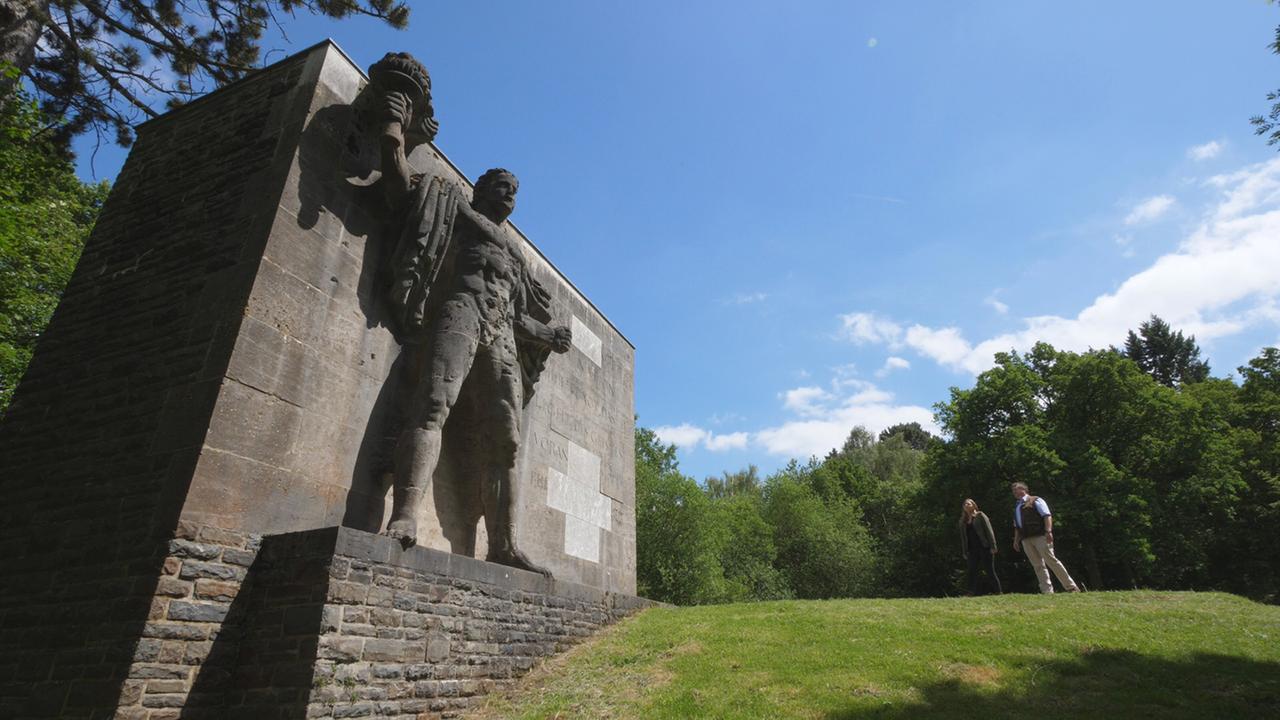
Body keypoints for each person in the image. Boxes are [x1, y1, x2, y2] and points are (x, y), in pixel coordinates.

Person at [375, 76, 572, 576]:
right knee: (431, 408)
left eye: (515, 190)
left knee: (506, 440)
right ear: (482, 189)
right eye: (501, 186)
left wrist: (547, 335)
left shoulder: (516, 254)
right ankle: (403, 518)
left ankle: (503, 544)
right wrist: (394, 132)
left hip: (501, 333)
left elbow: (517, 311)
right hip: (459, 313)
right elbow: (399, 189)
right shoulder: (455, 204)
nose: (510, 194)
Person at [1010, 482, 1080, 593]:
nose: (1015, 492)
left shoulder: (1036, 500)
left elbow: (1046, 515)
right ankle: (1047, 591)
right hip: (1026, 539)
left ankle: (1071, 587)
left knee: (1051, 560)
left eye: (1017, 489)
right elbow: (1017, 526)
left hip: (1040, 536)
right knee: (1037, 565)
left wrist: (1048, 531)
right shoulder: (1017, 506)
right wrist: (1016, 540)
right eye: (1013, 491)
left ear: (1024, 489)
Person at [959, 499, 1001, 595]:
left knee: (989, 570)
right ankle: (970, 592)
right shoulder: (962, 521)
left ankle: (998, 591)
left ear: (973, 505)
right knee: (971, 571)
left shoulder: (980, 515)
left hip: (984, 546)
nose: (966, 505)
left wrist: (993, 546)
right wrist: (964, 551)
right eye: (964, 504)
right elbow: (963, 538)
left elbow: (989, 531)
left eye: (968, 503)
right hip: (972, 549)